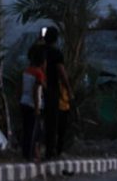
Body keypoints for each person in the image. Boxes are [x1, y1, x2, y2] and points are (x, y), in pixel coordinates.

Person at [41, 26, 74, 159]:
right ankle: (50, 151)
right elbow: (61, 73)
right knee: (52, 122)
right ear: (56, 39)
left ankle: (35, 150)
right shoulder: (56, 53)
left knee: (36, 121)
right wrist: (69, 90)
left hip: (37, 87)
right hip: (51, 89)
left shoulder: (39, 51)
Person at [20, 45, 46, 161]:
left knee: (26, 130)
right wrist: (37, 107)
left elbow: (20, 87)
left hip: (23, 102)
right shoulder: (38, 73)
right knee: (33, 132)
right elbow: (36, 91)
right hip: (32, 104)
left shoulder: (26, 70)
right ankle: (29, 155)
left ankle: (25, 153)